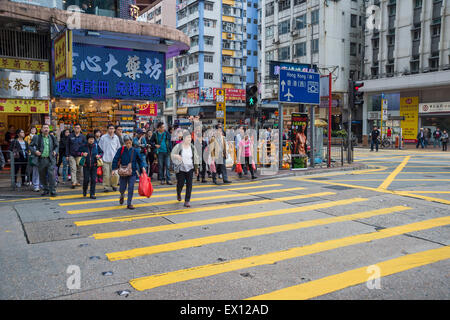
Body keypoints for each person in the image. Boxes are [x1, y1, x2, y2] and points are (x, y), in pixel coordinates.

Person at [112, 135, 147, 210]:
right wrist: (113, 169)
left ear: (131, 142)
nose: (128, 144)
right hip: (123, 172)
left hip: (132, 172)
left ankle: (129, 203)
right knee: (122, 188)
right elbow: (115, 159)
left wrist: (142, 167)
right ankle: (122, 195)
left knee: (131, 187)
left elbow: (140, 160)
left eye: (130, 143)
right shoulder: (121, 150)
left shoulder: (135, 151)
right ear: (124, 143)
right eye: (127, 143)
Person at [171, 130, 200, 208]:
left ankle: (187, 201)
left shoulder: (192, 147)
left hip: (190, 168)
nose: (189, 139)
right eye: (188, 137)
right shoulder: (178, 146)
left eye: (190, 137)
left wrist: (196, 168)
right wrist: (176, 156)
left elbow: (196, 157)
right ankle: (178, 192)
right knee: (180, 183)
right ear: (184, 138)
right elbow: (172, 154)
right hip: (181, 168)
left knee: (189, 185)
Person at [30, 124, 58, 196]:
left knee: (51, 175)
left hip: (50, 159)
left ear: (49, 129)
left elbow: (57, 146)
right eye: (44, 128)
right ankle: (46, 189)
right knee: (42, 176)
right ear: (41, 129)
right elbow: (30, 146)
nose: (46, 129)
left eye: (47, 128)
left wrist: (55, 151)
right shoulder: (37, 137)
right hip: (41, 159)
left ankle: (52, 190)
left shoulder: (52, 137)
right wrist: (35, 151)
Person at [98, 124, 121, 192]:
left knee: (116, 175)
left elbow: (118, 148)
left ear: (114, 130)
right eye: (110, 128)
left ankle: (114, 185)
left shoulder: (116, 137)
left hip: (114, 160)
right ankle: (106, 187)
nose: (111, 130)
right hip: (105, 159)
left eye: (112, 129)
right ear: (107, 129)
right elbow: (100, 147)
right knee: (106, 175)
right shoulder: (103, 137)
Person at [80, 133, 103, 199]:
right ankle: (84, 190)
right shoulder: (84, 146)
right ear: (87, 139)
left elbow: (101, 152)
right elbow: (77, 152)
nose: (91, 140)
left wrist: (99, 156)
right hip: (86, 165)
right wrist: (82, 153)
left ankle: (92, 194)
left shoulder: (96, 146)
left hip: (94, 166)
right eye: (90, 139)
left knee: (93, 180)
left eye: (92, 139)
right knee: (86, 180)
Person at [67, 123, 86, 189]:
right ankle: (73, 182)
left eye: (78, 128)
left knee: (79, 169)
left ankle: (78, 181)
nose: (77, 129)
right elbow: (67, 146)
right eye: (75, 128)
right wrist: (67, 155)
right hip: (72, 155)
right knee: (73, 168)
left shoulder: (83, 137)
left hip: (80, 155)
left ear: (80, 129)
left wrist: (84, 154)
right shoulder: (70, 136)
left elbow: (85, 146)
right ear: (74, 128)